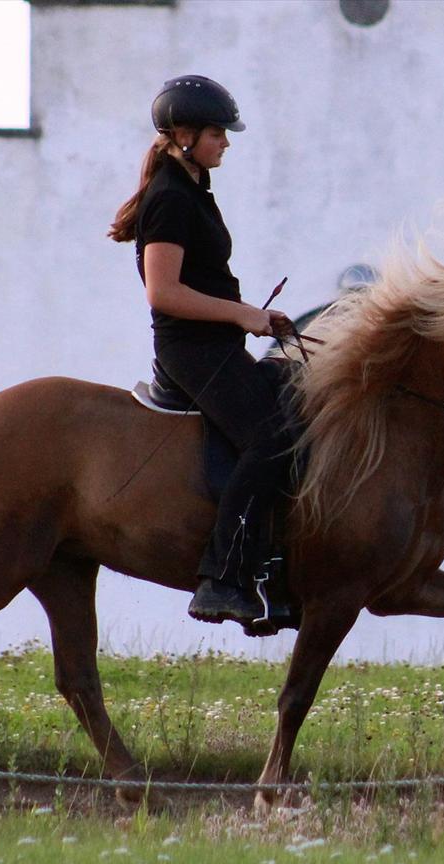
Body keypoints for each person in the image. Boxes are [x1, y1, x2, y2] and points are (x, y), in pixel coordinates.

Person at [109, 75, 295, 633]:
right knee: (271, 438)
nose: (226, 143)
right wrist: (243, 314)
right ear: (183, 135)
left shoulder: (193, 190)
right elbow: (163, 293)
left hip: (217, 345)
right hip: (191, 351)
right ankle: (223, 578)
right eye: (218, 132)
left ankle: (279, 573)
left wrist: (258, 319)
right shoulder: (168, 199)